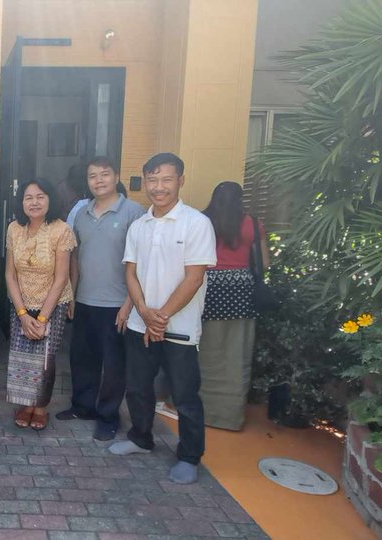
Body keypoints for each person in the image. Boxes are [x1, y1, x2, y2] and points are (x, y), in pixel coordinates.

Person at [109, 152, 215, 486]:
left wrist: (162, 316)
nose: (159, 187)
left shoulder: (196, 223)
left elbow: (194, 277)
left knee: (184, 395)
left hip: (179, 329)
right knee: (138, 387)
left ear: (180, 181)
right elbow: (131, 271)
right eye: (152, 180)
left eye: (166, 179)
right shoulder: (139, 225)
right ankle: (141, 438)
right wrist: (142, 310)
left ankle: (189, 456)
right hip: (142, 325)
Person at [61, 157, 144, 441]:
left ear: (116, 176)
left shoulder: (134, 212)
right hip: (84, 299)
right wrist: (71, 293)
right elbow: (75, 257)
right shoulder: (81, 213)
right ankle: (82, 406)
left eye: (104, 175)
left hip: (117, 304)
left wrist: (129, 304)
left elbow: (141, 265)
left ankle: (108, 416)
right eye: (92, 176)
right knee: (82, 358)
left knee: (114, 365)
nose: (98, 181)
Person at [4, 178, 75, 432]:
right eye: (28, 197)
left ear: (50, 199)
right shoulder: (14, 228)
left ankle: (41, 407)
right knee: (23, 356)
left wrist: (42, 318)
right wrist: (23, 314)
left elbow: (61, 277)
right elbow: (9, 275)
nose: (34, 202)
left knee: (46, 359)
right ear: (21, 202)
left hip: (52, 304)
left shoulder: (61, 230)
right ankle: (25, 404)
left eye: (40, 196)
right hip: (21, 303)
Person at [198, 181, 270, 431]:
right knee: (236, 354)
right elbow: (265, 262)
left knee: (204, 351)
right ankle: (229, 417)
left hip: (207, 288)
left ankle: (200, 409)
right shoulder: (252, 224)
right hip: (241, 291)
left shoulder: (202, 220)